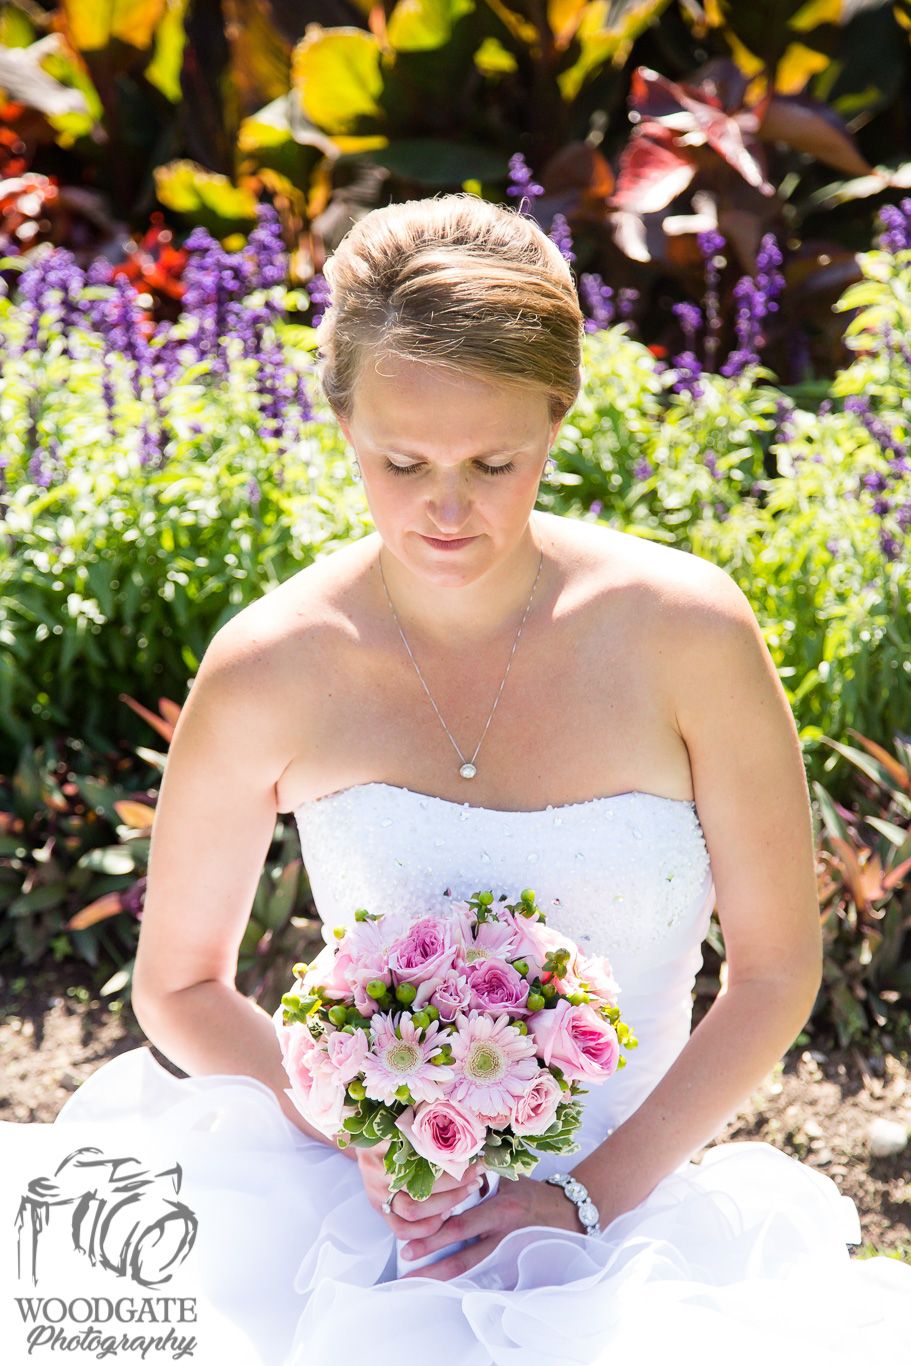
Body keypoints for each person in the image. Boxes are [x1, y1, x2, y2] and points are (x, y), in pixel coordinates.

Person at [50, 196, 910, 1364]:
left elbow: (771, 971)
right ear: (340, 419)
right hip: (364, 1217)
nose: (444, 508)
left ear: (556, 419)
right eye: (400, 461)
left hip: (635, 1214)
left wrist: (588, 1196)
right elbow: (181, 985)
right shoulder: (271, 665)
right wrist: (358, 1130)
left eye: (491, 462)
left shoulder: (685, 633)